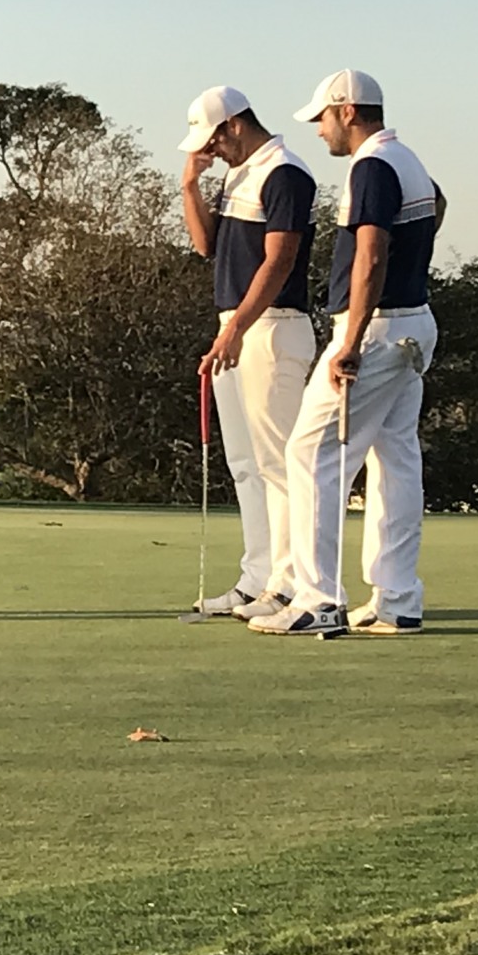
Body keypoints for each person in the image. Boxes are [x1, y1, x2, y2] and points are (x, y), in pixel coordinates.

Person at [252, 72, 441, 639]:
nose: (319, 130)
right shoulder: (404, 159)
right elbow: (438, 202)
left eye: (323, 118)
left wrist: (351, 341)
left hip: (377, 330)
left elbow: (371, 253)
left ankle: (318, 600)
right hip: (413, 323)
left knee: (311, 453)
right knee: (396, 457)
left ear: (349, 110)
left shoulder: (372, 166)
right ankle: (398, 599)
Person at [177, 86, 316, 620]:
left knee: (279, 466)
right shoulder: (240, 173)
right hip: (235, 327)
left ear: (233, 125)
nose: (211, 150)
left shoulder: (285, 173)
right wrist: (190, 183)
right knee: (245, 465)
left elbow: (279, 262)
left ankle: (290, 584)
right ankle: (258, 578)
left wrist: (236, 329)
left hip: (271, 327)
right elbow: (205, 246)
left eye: (212, 139)